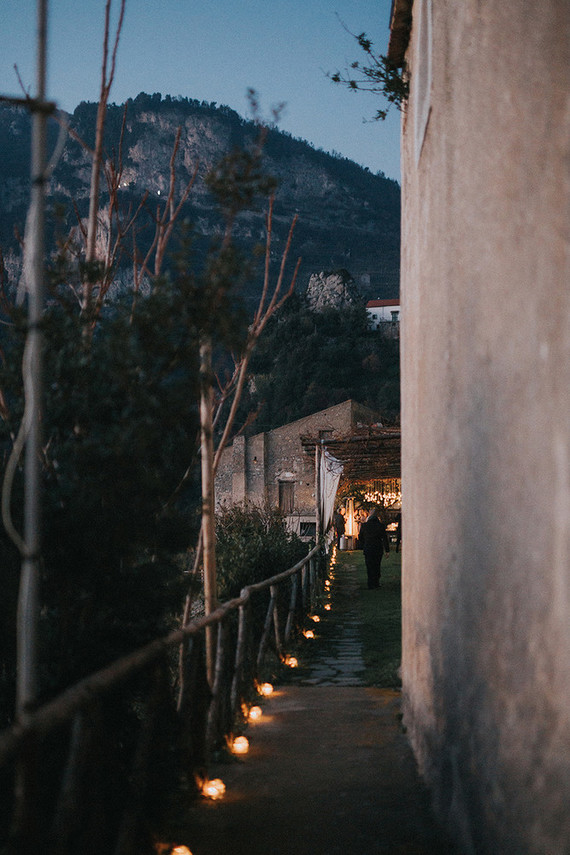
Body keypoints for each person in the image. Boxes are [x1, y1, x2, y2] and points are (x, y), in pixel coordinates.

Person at [358, 507, 390, 589]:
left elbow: (360, 537)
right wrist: (387, 550)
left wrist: (363, 544)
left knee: (369, 565)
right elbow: (385, 538)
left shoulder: (364, 526)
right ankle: (376, 582)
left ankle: (370, 583)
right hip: (377, 548)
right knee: (377, 565)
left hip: (368, 547)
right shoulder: (381, 526)